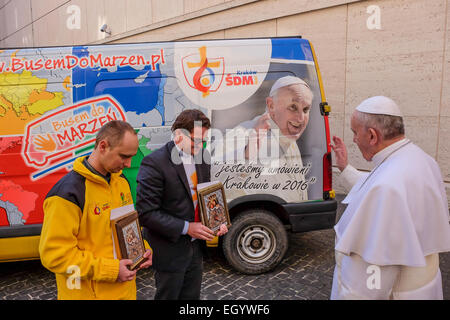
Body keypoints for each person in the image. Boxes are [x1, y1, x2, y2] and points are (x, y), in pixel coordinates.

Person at [330, 96, 450, 299]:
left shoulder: (386, 186)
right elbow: (375, 184)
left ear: (372, 136)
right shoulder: (421, 159)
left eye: (355, 132)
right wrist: (345, 168)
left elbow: (369, 282)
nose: (354, 140)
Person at [39, 120, 152, 300]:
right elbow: (55, 255)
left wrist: (141, 249)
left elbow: (126, 226)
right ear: (103, 146)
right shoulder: (67, 193)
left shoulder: (120, 181)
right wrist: (111, 270)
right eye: (124, 156)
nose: (129, 164)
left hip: (124, 292)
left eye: (132, 156)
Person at [136, 109, 228, 300]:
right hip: (169, 249)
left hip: (196, 249)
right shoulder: (154, 162)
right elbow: (146, 213)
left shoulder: (203, 157)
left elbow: (205, 197)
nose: (200, 145)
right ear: (178, 135)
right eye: (195, 139)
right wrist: (187, 228)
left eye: (203, 139)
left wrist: (217, 221)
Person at [214, 75, 313, 202]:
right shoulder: (244, 133)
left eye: (305, 110)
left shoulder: (288, 138)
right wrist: (247, 156)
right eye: (293, 107)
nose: (300, 118)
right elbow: (215, 178)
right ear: (271, 105)